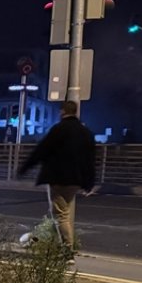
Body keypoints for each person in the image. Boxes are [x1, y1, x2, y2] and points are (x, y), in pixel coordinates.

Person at [17, 100, 96, 252]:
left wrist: (25, 167)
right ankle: (53, 243)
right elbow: (90, 159)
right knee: (60, 212)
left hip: (58, 178)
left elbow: (42, 150)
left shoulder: (59, 129)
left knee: (61, 215)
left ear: (62, 111)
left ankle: (67, 250)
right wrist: (89, 183)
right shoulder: (85, 133)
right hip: (75, 180)